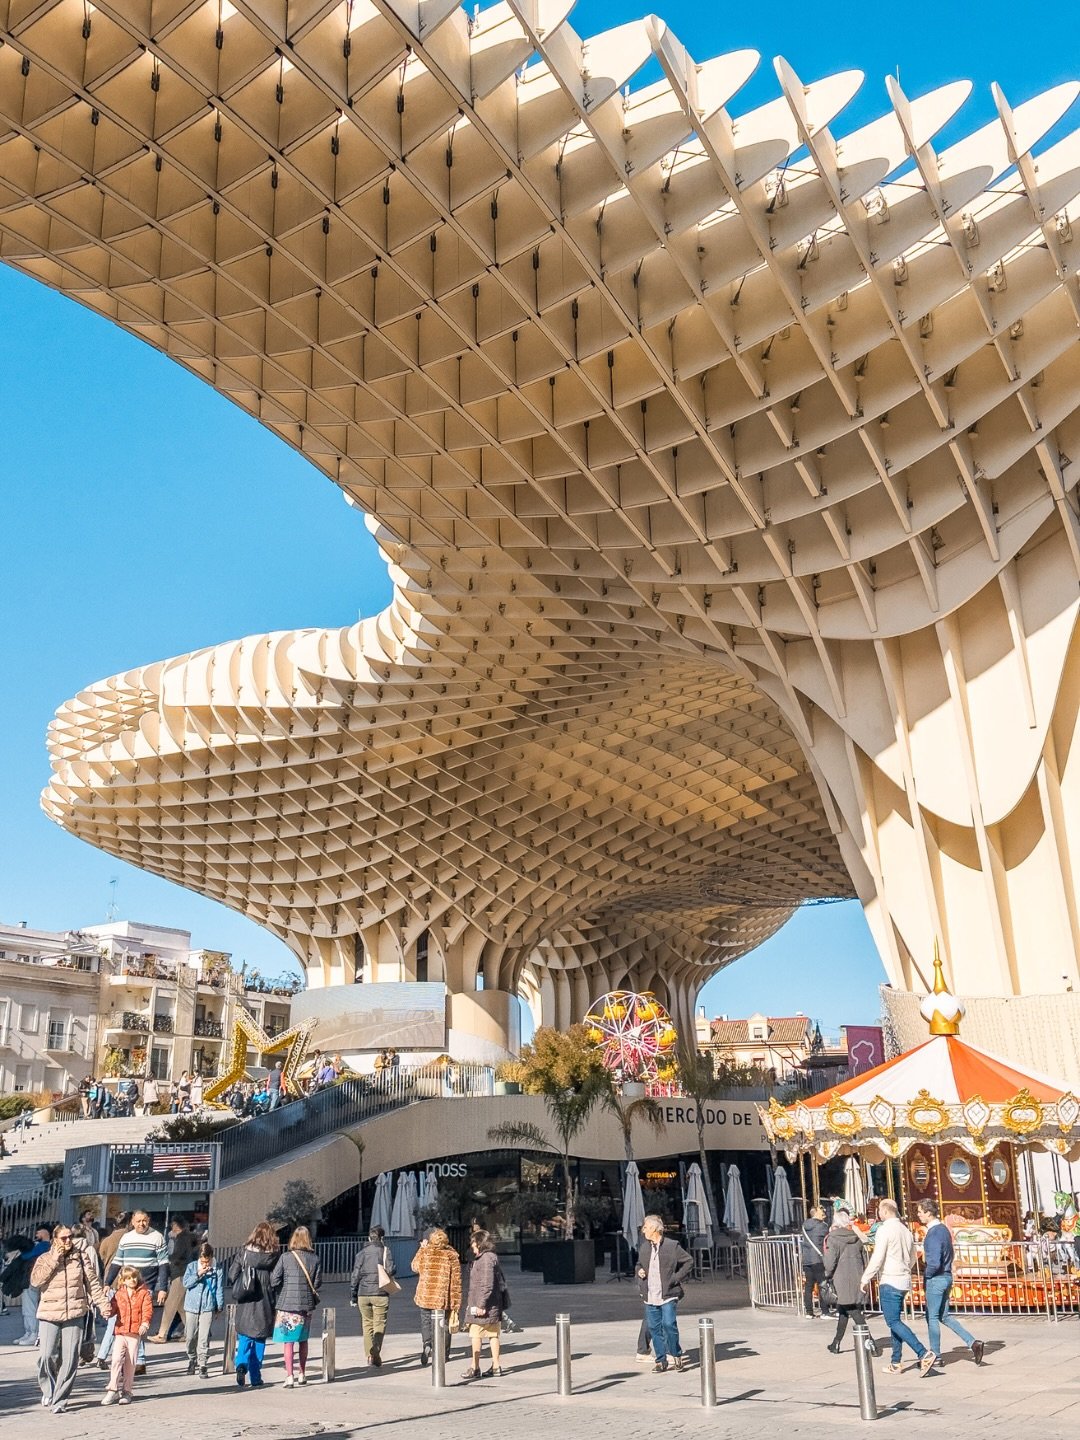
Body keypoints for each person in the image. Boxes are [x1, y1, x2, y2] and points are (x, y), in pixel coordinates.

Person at [32, 1222, 109, 1415]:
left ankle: (60, 1399)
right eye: (63, 1238)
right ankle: (49, 1389)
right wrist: (54, 1259)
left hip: (74, 1313)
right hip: (49, 1312)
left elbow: (92, 1283)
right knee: (47, 1355)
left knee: (70, 1358)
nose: (67, 1241)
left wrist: (103, 1305)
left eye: (70, 1237)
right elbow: (36, 1281)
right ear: (55, 1239)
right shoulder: (45, 1258)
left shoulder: (80, 1257)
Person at [861, 1197, 934, 1376]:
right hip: (903, 1279)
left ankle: (922, 1352)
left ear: (885, 1211)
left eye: (879, 1210)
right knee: (895, 1321)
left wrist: (866, 1277)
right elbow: (913, 1256)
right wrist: (904, 1268)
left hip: (890, 1279)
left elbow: (878, 1257)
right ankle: (896, 1361)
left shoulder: (884, 1230)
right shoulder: (905, 1230)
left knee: (892, 1321)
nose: (878, 1213)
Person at [917, 1200, 984, 1367]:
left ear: (928, 1213)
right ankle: (973, 1342)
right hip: (946, 1276)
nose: (918, 1215)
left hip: (936, 1278)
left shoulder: (933, 1233)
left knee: (932, 1317)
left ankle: (936, 1355)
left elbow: (934, 1262)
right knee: (944, 1316)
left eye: (920, 1212)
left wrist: (927, 1275)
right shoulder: (944, 1230)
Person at [100, 1211, 168, 1372]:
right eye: (138, 1221)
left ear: (148, 1220)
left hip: (146, 1286)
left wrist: (163, 1288)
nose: (141, 1224)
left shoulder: (157, 1237)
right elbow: (117, 1262)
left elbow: (163, 1264)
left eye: (144, 1221)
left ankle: (139, 1360)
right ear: (132, 1221)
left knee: (140, 1321)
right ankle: (137, 1360)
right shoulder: (126, 1238)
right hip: (126, 1288)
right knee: (127, 1322)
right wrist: (107, 1283)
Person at [635, 1214, 694, 1373]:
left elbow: (688, 1261)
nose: (643, 1231)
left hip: (668, 1294)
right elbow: (639, 1264)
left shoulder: (671, 1246)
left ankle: (676, 1354)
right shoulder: (644, 1247)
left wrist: (676, 1278)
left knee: (668, 1324)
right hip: (650, 1294)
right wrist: (639, 1271)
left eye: (646, 1227)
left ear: (654, 1228)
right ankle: (661, 1360)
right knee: (654, 1328)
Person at [228, 1219, 279, 1388]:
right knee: (259, 1340)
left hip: (246, 1300)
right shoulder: (274, 1255)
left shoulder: (244, 1252)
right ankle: (256, 1377)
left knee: (244, 1336)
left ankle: (241, 1365)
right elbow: (276, 1280)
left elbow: (232, 1274)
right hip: (265, 1301)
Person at [270, 1225, 322, 1387]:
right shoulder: (315, 1259)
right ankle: (302, 1373)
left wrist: (284, 1289)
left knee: (288, 1342)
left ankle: (289, 1376)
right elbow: (317, 1283)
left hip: (287, 1304)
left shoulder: (285, 1257)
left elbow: (274, 1279)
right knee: (303, 1340)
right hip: (306, 1305)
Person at [823, 1209, 880, 1354]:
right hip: (856, 1275)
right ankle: (836, 1343)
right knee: (844, 1310)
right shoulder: (856, 1237)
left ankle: (871, 1343)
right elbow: (864, 1258)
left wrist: (827, 1274)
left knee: (853, 1311)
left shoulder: (833, 1238)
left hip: (841, 1277)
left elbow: (830, 1262)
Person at [101, 1265, 153, 1406]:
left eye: (134, 1277)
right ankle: (112, 1389)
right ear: (123, 1280)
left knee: (130, 1363)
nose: (132, 1280)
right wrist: (107, 1312)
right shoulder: (119, 1294)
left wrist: (145, 1323)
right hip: (121, 1331)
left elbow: (147, 1310)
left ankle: (127, 1391)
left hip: (134, 1333)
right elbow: (113, 1308)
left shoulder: (144, 1293)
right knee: (116, 1359)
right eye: (128, 1278)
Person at [411, 1227, 462, 1367]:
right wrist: (456, 1303)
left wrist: (421, 1249)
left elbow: (414, 1266)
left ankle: (427, 1343)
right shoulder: (451, 1255)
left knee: (426, 1321)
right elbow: (456, 1281)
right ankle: (444, 1353)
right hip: (442, 1298)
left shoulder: (426, 1252)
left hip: (425, 1295)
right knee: (444, 1324)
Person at [461, 1229, 508, 1380]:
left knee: (476, 1334)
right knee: (493, 1335)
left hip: (484, 1305)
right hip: (492, 1304)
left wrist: (481, 1305)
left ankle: (475, 1367)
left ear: (480, 1243)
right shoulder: (489, 1257)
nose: (472, 1245)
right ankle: (496, 1366)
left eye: (474, 1242)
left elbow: (487, 1284)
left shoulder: (486, 1259)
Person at [349, 1225, 396, 1367]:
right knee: (379, 1323)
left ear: (369, 1238)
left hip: (363, 1294)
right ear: (382, 1238)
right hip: (380, 1292)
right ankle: (376, 1349)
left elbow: (355, 1276)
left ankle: (369, 1356)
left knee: (367, 1324)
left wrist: (353, 1295)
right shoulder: (385, 1251)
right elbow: (391, 1270)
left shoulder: (361, 1254)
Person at [149, 1216, 197, 1344]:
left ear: (176, 1225)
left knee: (170, 1305)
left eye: (173, 1225)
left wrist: (167, 1258)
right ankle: (192, 1333)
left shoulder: (181, 1238)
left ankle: (162, 1334)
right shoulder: (188, 1238)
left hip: (179, 1274)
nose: (171, 1227)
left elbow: (178, 1255)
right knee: (181, 1307)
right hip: (183, 1274)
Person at [183, 1241, 223, 1378]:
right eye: (203, 1261)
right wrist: (198, 1274)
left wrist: (219, 1306)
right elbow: (186, 1283)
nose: (206, 1264)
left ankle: (202, 1364)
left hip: (207, 1306)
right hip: (191, 1306)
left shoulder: (217, 1269)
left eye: (208, 1261)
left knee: (204, 1337)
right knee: (190, 1336)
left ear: (211, 1257)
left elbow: (219, 1288)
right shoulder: (192, 1267)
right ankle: (192, 1358)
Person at [13, 1224, 51, 1346]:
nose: (36, 1234)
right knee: (28, 1306)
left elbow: (27, 1256)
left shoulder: (44, 1245)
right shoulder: (44, 1245)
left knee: (30, 1306)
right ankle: (29, 1332)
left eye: (38, 1232)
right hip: (32, 1278)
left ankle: (33, 1333)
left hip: (33, 1278)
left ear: (45, 1232)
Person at [799, 1205, 831, 1319]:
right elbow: (827, 1236)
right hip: (817, 1258)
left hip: (807, 1259)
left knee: (809, 1285)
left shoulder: (805, 1225)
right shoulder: (822, 1226)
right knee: (822, 1284)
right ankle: (825, 1311)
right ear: (816, 1213)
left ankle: (809, 1311)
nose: (823, 1213)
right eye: (821, 1211)